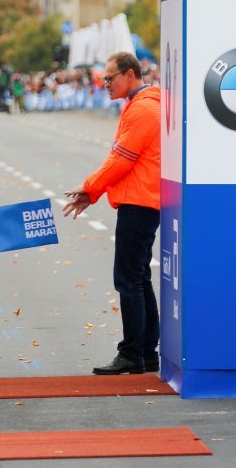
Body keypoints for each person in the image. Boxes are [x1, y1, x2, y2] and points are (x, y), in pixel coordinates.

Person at [62, 52, 160, 376]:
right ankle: (146, 352)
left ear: (130, 74)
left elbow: (121, 159)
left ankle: (132, 353)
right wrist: (93, 192)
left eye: (109, 78)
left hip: (139, 201)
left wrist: (90, 189)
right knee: (140, 278)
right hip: (142, 199)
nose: (104, 84)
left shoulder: (143, 109)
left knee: (129, 280)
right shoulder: (141, 104)